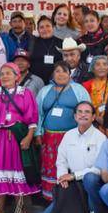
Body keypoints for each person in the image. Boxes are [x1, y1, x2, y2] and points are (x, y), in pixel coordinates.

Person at [0, 63, 40, 213]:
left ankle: (20, 207)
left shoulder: (25, 93)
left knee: (17, 171)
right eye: (2, 73)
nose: (4, 76)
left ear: (17, 76)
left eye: (8, 73)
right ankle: (0, 208)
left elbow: (32, 117)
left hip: (16, 138)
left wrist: (29, 137)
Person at [35, 62, 91, 201]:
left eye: (64, 71)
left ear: (69, 73)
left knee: (71, 166)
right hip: (49, 137)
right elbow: (38, 114)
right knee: (50, 167)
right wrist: (38, 133)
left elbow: (87, 111)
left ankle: (71, 199)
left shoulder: (79, 89)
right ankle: (51, 199)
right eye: (57, 71)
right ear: (53, 74)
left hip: (72, 138)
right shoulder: (45, 91)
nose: (61, 74)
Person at [47, 101, 106, 213]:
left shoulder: (100, 137)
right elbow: (61, 160)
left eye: (87, 112)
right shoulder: (69, 135)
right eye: (80, 112)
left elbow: (99, 169)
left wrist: (74, 176)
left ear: (93, 117)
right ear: (75, 116)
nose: (83, 115)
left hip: (92, 183)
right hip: (73, 183)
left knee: (90, 178)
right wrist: (62, 176)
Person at [82, 55, 108, 130]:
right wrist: (96, 117)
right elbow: (84, 107)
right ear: (92, 68)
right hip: (93, 123)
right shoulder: (86, 86)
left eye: (105, 64)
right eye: (98, 64)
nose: (101, 67)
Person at [30, 15, 63, 83]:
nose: (45, 29)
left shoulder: (61, 43)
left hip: (56, 81)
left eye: (48, 26)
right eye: (41, 27)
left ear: (53, 27)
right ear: (38, 30)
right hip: (36, 81)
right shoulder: (32, 43)